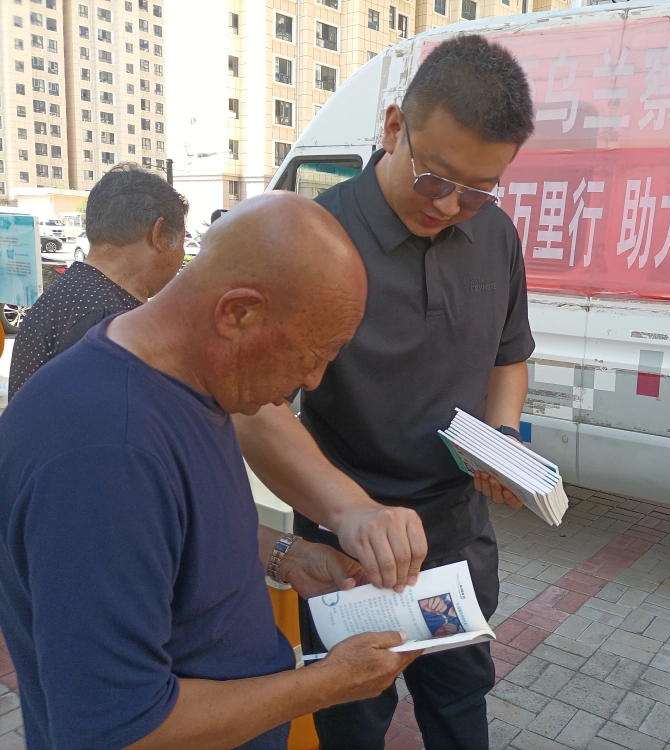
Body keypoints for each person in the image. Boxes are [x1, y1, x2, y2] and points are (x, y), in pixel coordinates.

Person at [0, 192, 420, 750]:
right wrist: (330, 683)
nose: (313, 380)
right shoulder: (105, 453)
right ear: (237, 313)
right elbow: (121, 730)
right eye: (313, 354)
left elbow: (169, 542)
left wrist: (287, 555)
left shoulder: (188, 382)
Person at [234, 35, 536, 749]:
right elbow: (254, 406)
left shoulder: (495, 236)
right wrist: (352, 512)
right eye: (437, 179)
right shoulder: (315, 237)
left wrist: (501, 436)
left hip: (455, 537)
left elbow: (509, 355)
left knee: (460, 707)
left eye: (479, 189)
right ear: (395, 127)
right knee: (351, 719)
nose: (452, 205)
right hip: (348, 545)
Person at [8, 164, 189, 399]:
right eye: (182, 241)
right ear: (159, 233)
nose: (182, 253)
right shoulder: (108, 319)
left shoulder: (73, 293)